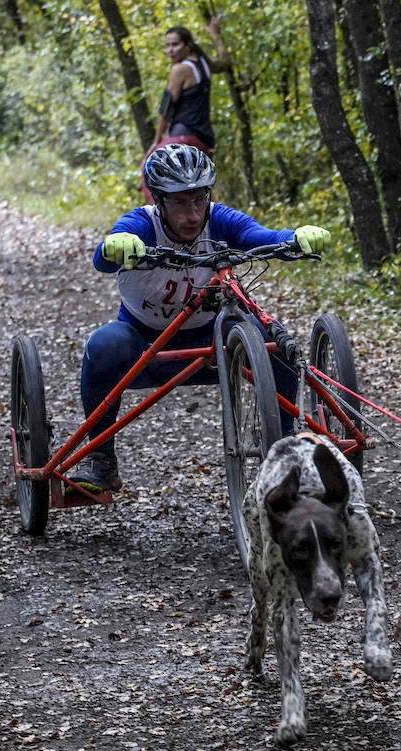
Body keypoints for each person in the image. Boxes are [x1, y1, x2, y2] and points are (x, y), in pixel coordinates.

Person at [73, 143, 330, 493]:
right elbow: (105, 256)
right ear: (159, 201)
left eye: (198, 199)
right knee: (103, 345)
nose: (193, 215)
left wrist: (295, 238)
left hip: (214, 343)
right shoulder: (141, 223)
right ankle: (101, 463)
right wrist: (114, 246)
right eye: (180, 203)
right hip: (144, 347)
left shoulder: (219, 219)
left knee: (275, 342)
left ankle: (284, 452)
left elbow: (261, 238)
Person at [146, 17, 232, 158]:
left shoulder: (180, 69)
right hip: (205, 141)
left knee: (150, 167)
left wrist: (156, 141)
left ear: (188, 45)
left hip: (184, 137)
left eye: (175, 45)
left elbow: (166, 108)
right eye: (167, 46)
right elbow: (225, 62)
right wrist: (215, 35)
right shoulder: (203, 63)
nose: (170, 50)